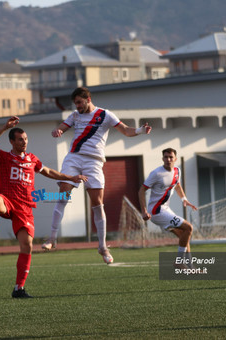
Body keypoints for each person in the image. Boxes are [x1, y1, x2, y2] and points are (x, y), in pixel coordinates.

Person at [0, 116, 87, 298]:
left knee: (27, 247)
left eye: (26, 139)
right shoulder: (3, 157)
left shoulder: (32, 159)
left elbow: (48, 171)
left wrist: (70, 177)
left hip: (25, 209)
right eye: (20, 139)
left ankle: (19, 288)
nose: (24, 142)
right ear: (12, 141)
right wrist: (4, 127)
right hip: (8, 202)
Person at [42, 86, 152, 264]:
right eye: (75, 103)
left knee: (97, 202)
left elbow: (125, 130)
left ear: (88, 99)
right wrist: (59, 131)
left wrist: (140, 131)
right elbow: (63, 126)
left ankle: (102, 246)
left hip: (94, 161)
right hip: (74, 158)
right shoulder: (75, 115)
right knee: (63, 192)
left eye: (79, 102)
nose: (77, 106)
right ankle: (52, 238)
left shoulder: (105, 115)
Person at [138, 148, 197, 268]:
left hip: (165, 209)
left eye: (171, 157)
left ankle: (191, 267)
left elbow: (177, 185)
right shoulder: (156, 173)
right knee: (188, 227)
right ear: (162, 159)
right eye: (166, 157)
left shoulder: (177, 171)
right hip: (156, 212)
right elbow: (141, 191)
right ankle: (179, 263)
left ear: (175, 159)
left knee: (184, 235)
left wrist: (184, 200)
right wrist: (144, 211)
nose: (168, 159)